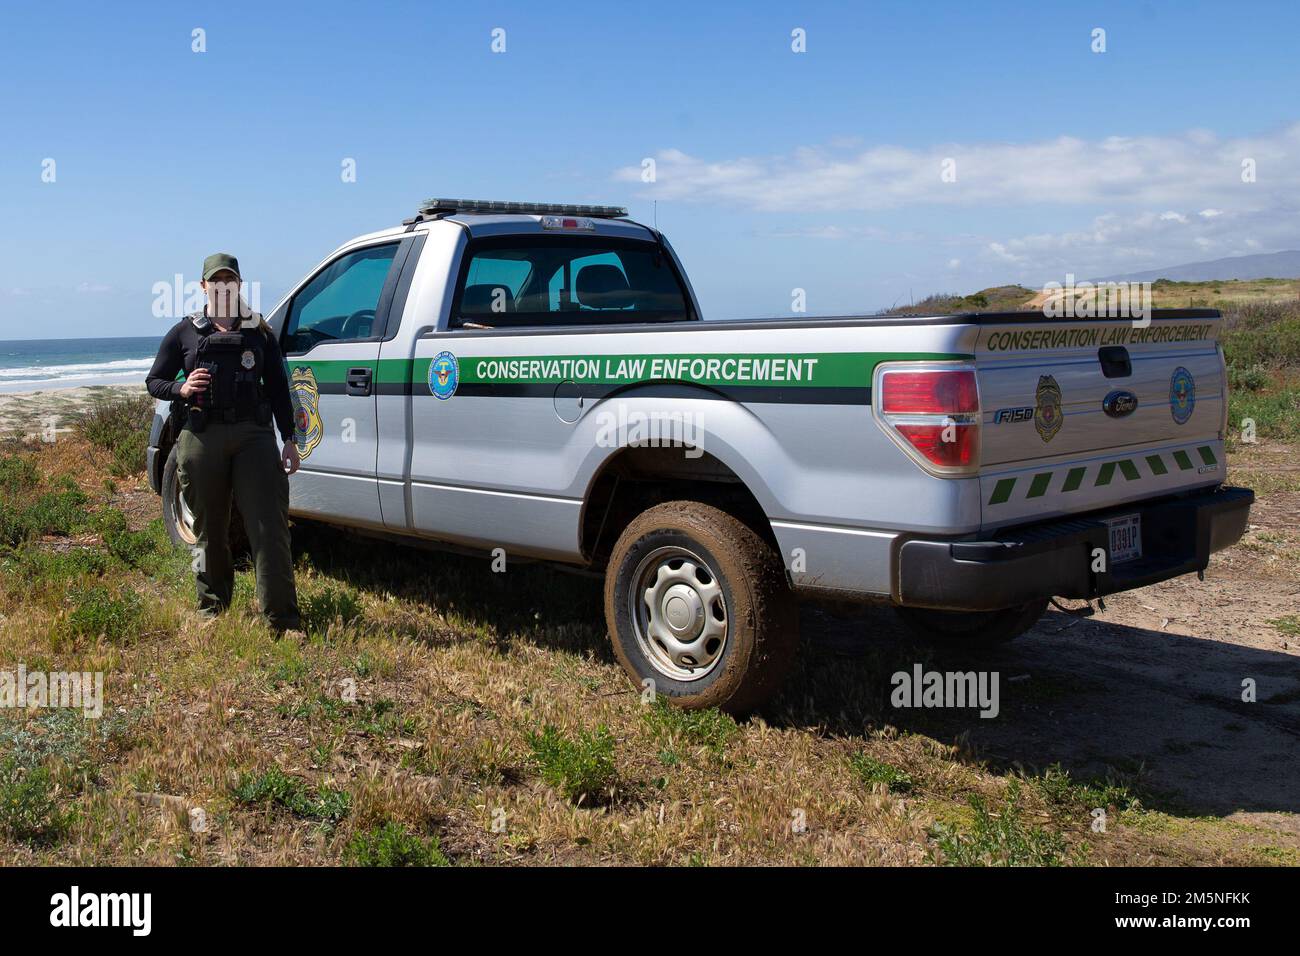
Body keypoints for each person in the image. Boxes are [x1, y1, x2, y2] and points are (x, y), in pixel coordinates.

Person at [146, 253, 302, 633]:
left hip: (254, 436)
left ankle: (283, 620)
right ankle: (211, 608)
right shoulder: (185, 332)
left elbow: (280, 390)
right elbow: (154, 381)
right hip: (201, 437)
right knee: (209, 528)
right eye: (215, 281)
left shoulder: (259, 332)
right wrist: (180, 388)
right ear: (203, 287)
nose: (223, 287)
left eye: (229, 280)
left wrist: (290, 439)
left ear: (239, 285)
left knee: (269, 525)